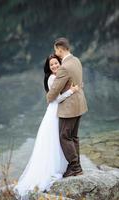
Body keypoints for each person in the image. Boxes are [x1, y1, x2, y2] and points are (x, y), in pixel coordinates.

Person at [13, 54, 79, 199]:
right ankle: (55, 169)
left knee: (59, 139)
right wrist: (71, 91)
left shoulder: (61, 75)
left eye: (56, 63)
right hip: (55, 113)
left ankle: (65, 166)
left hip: (59, 112)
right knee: (55, 140)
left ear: (61, 63)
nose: (55, 66)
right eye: (52, 65)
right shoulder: (52, 79)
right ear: (49, 68)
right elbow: (57, 98)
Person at [47, 37, 88, 177]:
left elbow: (52, 94)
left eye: (56, 50)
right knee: (74, 136)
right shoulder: (76, 60)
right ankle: (78, 165)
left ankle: (75, 167)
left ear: (60, 49)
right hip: (80, 104)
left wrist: (48, 97)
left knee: (64, 137)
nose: (56, 53)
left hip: (69, 108)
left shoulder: (64, 67)